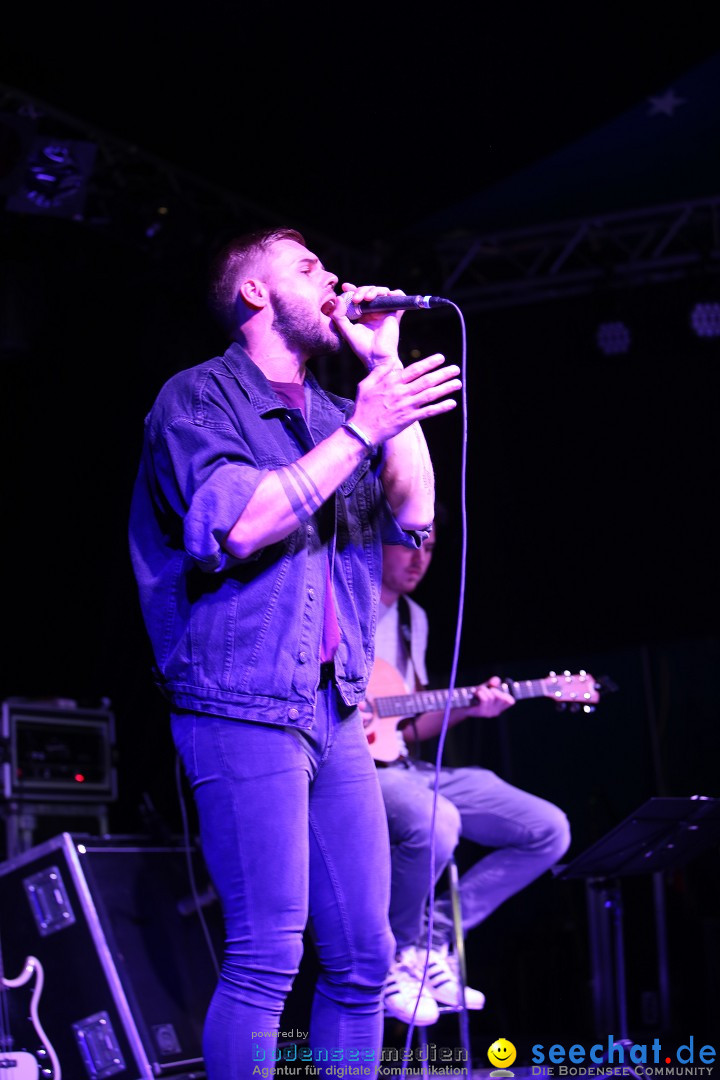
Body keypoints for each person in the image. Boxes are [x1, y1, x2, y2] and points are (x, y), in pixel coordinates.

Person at [127, 226, 462, 1080]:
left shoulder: (333, 408)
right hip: (238, 703)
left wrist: (382, 373)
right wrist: (364, 425)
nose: (332, 276)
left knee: (361, 956)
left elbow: (414, 515)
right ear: (253, 293)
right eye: (307, 265)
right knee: (266, 955)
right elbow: (238, 525)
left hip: (336, 705)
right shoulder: (197, 399)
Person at [364, 526, 572, 1026]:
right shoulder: (344, 601)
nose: (420, 559)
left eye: (430, 549)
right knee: (439, 820)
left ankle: (431, 941)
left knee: (547, 829)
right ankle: (397, 952)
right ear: (376, 542)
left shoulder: (415, 620)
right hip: (354, 771)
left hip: (402, 763)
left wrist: (470, 709)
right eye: (409, 544)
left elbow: (405, 726)